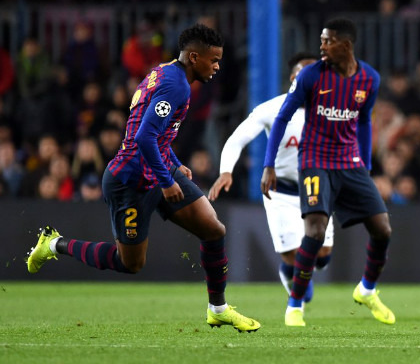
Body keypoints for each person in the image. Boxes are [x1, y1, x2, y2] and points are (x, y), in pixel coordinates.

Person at [26, 23, 260, 333]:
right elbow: (144, 136)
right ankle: (54, 244)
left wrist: (175, 163)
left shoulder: (163, 72)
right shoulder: (176, 86)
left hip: (158, 167)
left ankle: (217, 309)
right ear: (193, 57)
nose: (217, 67)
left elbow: (153, 131)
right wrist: (167, 181)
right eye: (213, 60)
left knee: (214, 230)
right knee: (131, 264)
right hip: (130, 181)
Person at [260, 17, 395, 327]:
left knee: (382, 229)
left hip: (350, 163)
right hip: (315, 160)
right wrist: (268, 165)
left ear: (345, 46)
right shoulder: (310, 76)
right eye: (321, 39)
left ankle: (367, 290)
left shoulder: (369, 80)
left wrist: (367, 166)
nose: (321, 46)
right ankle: (294, 305)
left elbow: (363, 122)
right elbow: (282, 118)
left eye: (327, 41)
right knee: (316, 232)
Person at [208, 52, 335, 302]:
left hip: (319, 190)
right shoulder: (271, 109)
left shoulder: (331, 110)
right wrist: (226, 170)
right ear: (293, 78)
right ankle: (289, 273)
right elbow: (237, 139)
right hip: (281, 192)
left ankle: (300, 269)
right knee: (295, 258)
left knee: (323, 257)